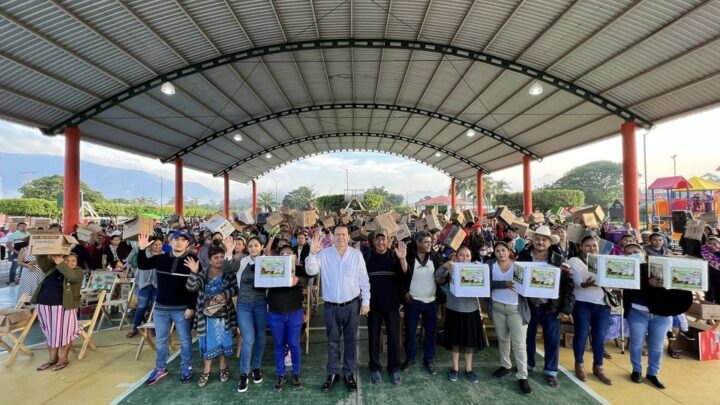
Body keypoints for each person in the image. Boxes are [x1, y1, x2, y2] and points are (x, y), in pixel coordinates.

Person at [305, 224, 370, 393]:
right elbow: (310, 270)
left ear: (348, 237)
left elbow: (364, 279)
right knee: (333, 342)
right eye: (337, 234)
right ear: (332, 237)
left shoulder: (356, 256)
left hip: (352, 305)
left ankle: (349, 373)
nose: (340, 237)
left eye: (343, 234)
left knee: (350, 341)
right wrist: (312, 253)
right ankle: (333, 373)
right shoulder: (324, 254)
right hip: (331, 307)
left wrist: (366, 301)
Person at [623, 242, 692, 389]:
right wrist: (648, 283)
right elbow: (631, 289)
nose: (632, 255)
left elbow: (678, 288)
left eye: (635, 251)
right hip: (637, 313)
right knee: (636, 343)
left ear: (643, 253)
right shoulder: (628, 271)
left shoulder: (661, 267)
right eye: (628, 254)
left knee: (657, 346)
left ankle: (652, 373)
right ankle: (636, 370)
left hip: (661, 315)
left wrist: (663, 283)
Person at [137, 231, 198, 385]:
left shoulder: (193, 260)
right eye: (176, 239)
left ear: (187, 244)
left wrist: (191, 306)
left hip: (182, 308)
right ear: (170, 241)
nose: (179, 242)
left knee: (185, 339)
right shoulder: (160, 258)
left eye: (183, 240)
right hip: (161, 308)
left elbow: (196, 286)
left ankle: (186, 367)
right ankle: (160, 368)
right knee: (161, 340)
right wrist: (142, 249)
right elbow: (142, 264)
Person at [519, 225, 574, 388]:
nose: (540, 242)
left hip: (551, 307)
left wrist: (566, 310)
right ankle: (528, 365)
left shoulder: (558, 260)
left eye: (544, 239)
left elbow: (568, 286)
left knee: (552, 339)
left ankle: (551, 371)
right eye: (537, 239)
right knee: (527, 338)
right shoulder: (523, 257)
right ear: (533, 240)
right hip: (529, 305)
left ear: (550, 242)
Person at [185, 243, 238, 388]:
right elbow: (191, 287)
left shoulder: (228, 273)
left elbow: (235, 288)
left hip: (224, 316)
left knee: (223, 341)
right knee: (208, 344)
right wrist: (194, 272)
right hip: (206, 317)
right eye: (216, 257)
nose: (219, 260)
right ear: (210, 259)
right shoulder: (203, 273)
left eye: (221, 257)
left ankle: (223, 367)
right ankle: (206, 370)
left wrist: (224, 294)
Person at [222, 236, 268, 393]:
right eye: (250, 246)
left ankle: (256, 367)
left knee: (261, 337)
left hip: (262, 304)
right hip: (244, 305)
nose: (253, 248)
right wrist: (229, 251)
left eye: (256, 245)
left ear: (261, 247)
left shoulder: (267, 261)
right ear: (247, 248)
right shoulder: (242, 261)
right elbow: (227, 269)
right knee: (248, 338)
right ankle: (244, 373)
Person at [434, 246, 486, 384]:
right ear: (456, 257)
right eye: (461, 255)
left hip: (471, 310)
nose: (464, 258)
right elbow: (437, 277)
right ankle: (455, 368)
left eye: (467, 255)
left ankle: (469, 369)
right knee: (455, 342)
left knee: (470, 343)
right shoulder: (452, 268)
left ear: (471, 257)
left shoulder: (477, 269)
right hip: (454, 309)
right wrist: (445, 266)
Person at [487, 241, 532, 395]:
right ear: (494, 252)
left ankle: (522, 375)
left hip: (516, 309)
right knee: (503, 339)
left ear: (509, 251)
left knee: (519, 344)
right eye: (498, 250)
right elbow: (485, 283)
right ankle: (505, 366)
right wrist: (503, 284)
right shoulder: (489, 265)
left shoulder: (519, 266)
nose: (501, 253)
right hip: (497, 307)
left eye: (504, 250)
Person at [567, 235, 613, 385]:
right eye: (587, 245)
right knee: (581, 334)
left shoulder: (605, 261)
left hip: (602, 304)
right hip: (582, 303)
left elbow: (612, 281)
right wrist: (585, 284)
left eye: (594, 245)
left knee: (599, 337)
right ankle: (579, 364)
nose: (591, 248)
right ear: (581, 247)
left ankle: (598, 366)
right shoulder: (574, 261)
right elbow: (575, 282)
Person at [364, 229, 408, 385]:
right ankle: (375, 368)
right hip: (373, 305)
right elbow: (361, 279)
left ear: (389, 241)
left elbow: (405, 276)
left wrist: (403, 259)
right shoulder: (368, 257)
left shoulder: (395, 257)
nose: (381, 242)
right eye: (378, 239)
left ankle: (394, 368)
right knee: (373, 338)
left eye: (384, 239)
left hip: (392, 305)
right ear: (374, 241)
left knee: (394, 337)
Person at [265, 244, 309, 392]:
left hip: (294, 313)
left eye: (289, 254)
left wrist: (298, 280)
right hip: (275, 313)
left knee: (294, 344)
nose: (286, 257)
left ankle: (296, 373)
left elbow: (307, 280)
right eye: (282, 254)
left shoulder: (298, 270)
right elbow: (259, 274)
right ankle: (281, 374)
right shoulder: (272, 268)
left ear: (294, 257)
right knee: (279, 345)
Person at [32, 253, 83, 371]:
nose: (70, 263)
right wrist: (45, 251)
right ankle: (53, 358)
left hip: (63, 307)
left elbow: (72, 277)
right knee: (49, 333)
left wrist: (60, 262)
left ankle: (64, 358)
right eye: (67, 260)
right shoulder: (52, 269)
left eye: (73, 261)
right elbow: (41, 260)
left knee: (65, 334)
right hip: (44, 305)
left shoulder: (78, 272)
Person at [402, 231, 443, 375]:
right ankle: (410, 358)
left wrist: (442, 279)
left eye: (430, 242)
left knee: (430, 332)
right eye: (426, 242)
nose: (429, 245)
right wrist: (404, 292)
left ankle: (429, 359)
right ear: (418, 243)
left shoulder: (435, 257)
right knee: (410, 331)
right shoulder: (408, 256)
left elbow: (441, 275)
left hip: (431, 301)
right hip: (413, 301)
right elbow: (400, 276)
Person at [127, 236, 161, 338]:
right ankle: (135, 328)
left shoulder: (164, 255)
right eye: (155, 244)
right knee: (141, 307)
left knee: (156, 308)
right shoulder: (143, 252)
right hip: (143, 284)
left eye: (160, 244)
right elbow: (130, 260)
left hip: (157, 285)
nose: (158, 246)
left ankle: (154, 328)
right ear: (150, 245)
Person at [701, 236, 720, 304]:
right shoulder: (704, 253)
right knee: (708, 298)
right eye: (710, 243)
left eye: (714, 244)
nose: (712, 245)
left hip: (718, 281)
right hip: (709, 280)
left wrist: (716, 252)